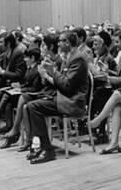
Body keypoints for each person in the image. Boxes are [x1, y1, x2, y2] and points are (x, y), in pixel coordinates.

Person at [24, 31, 89, 164]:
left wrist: (52, 71)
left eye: (60, 41)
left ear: (67, 43)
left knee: (33, 106)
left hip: (73, 102)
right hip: (65, 98)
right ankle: (38, 146)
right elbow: (63, 83)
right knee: (30, 105)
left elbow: (66, 86)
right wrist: (46, 75)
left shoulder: (78, 58)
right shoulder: (69, 56)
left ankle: (47, 149)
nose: (58, 43)